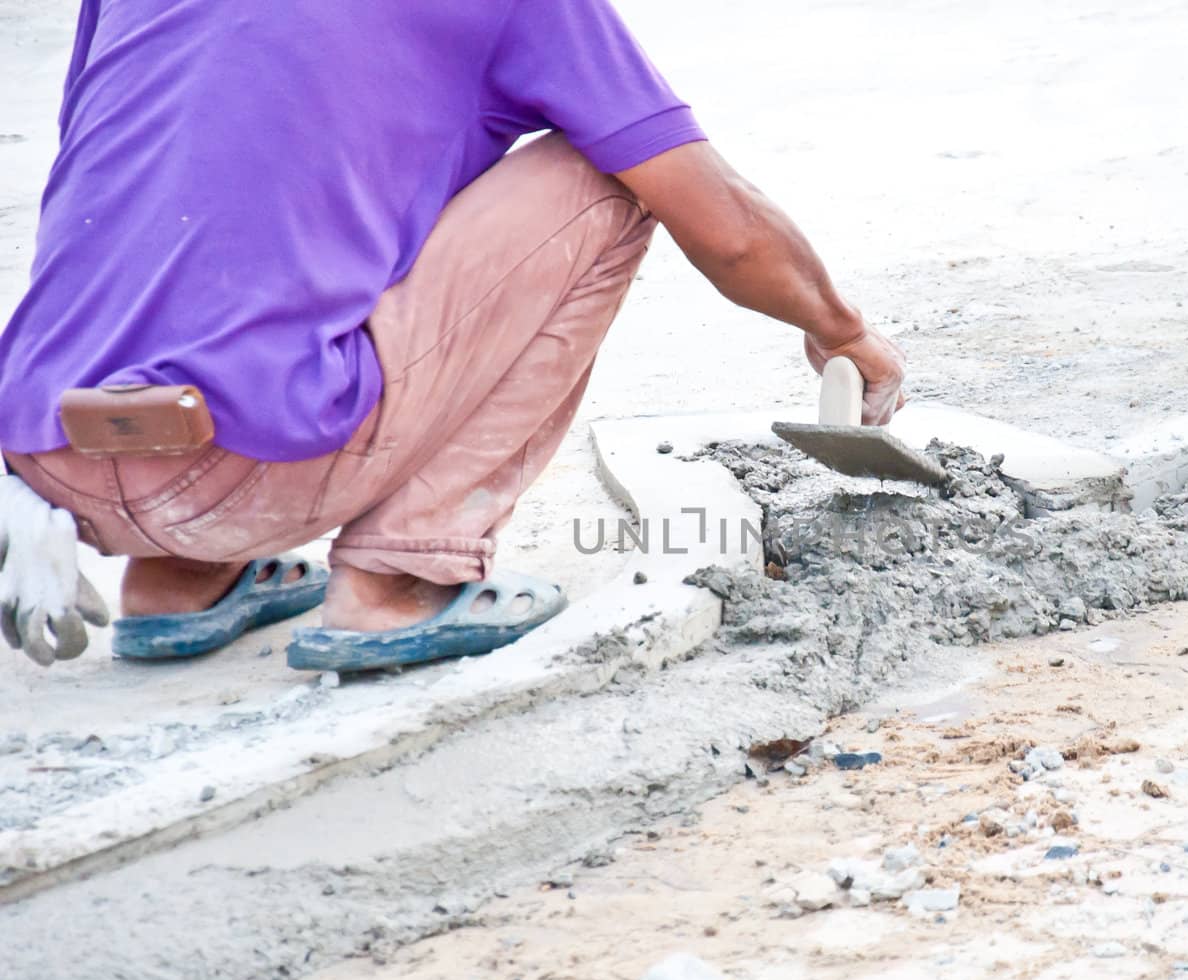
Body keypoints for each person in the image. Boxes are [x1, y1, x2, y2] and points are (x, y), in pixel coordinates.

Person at [0, 0, 907, 671]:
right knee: (610, 178)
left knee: (232, 196)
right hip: (244, 468)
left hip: (48, 459)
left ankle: (176, 582)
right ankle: (401, 577)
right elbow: (728, 229)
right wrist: (843, 330)